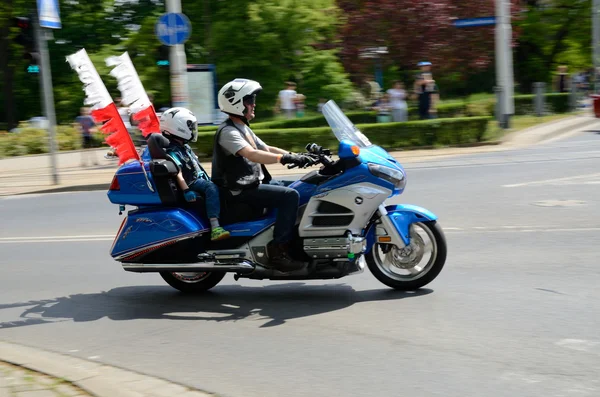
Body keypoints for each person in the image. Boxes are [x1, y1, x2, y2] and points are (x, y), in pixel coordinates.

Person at [212, 78, 314, 271]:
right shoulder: (228, 132)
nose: (254, 104)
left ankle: (295, 239)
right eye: (249, 100)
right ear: (236, 103)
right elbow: (252, 154)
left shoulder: (242, 127)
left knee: (301, 185)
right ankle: (278, 251)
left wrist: (298, 156)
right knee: (290, 196)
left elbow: (266, 148)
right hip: (239, 190)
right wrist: (283, 159)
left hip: (251, 183)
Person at [147, 107, 231, 241]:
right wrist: (186, 190)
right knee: (211, 188)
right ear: (178, 127)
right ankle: (215, 227)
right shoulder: (173, 150)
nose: (192, 129)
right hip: (191, 183)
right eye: (189, 126)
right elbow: (178, 172)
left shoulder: (183, 146)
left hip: (196, 179)